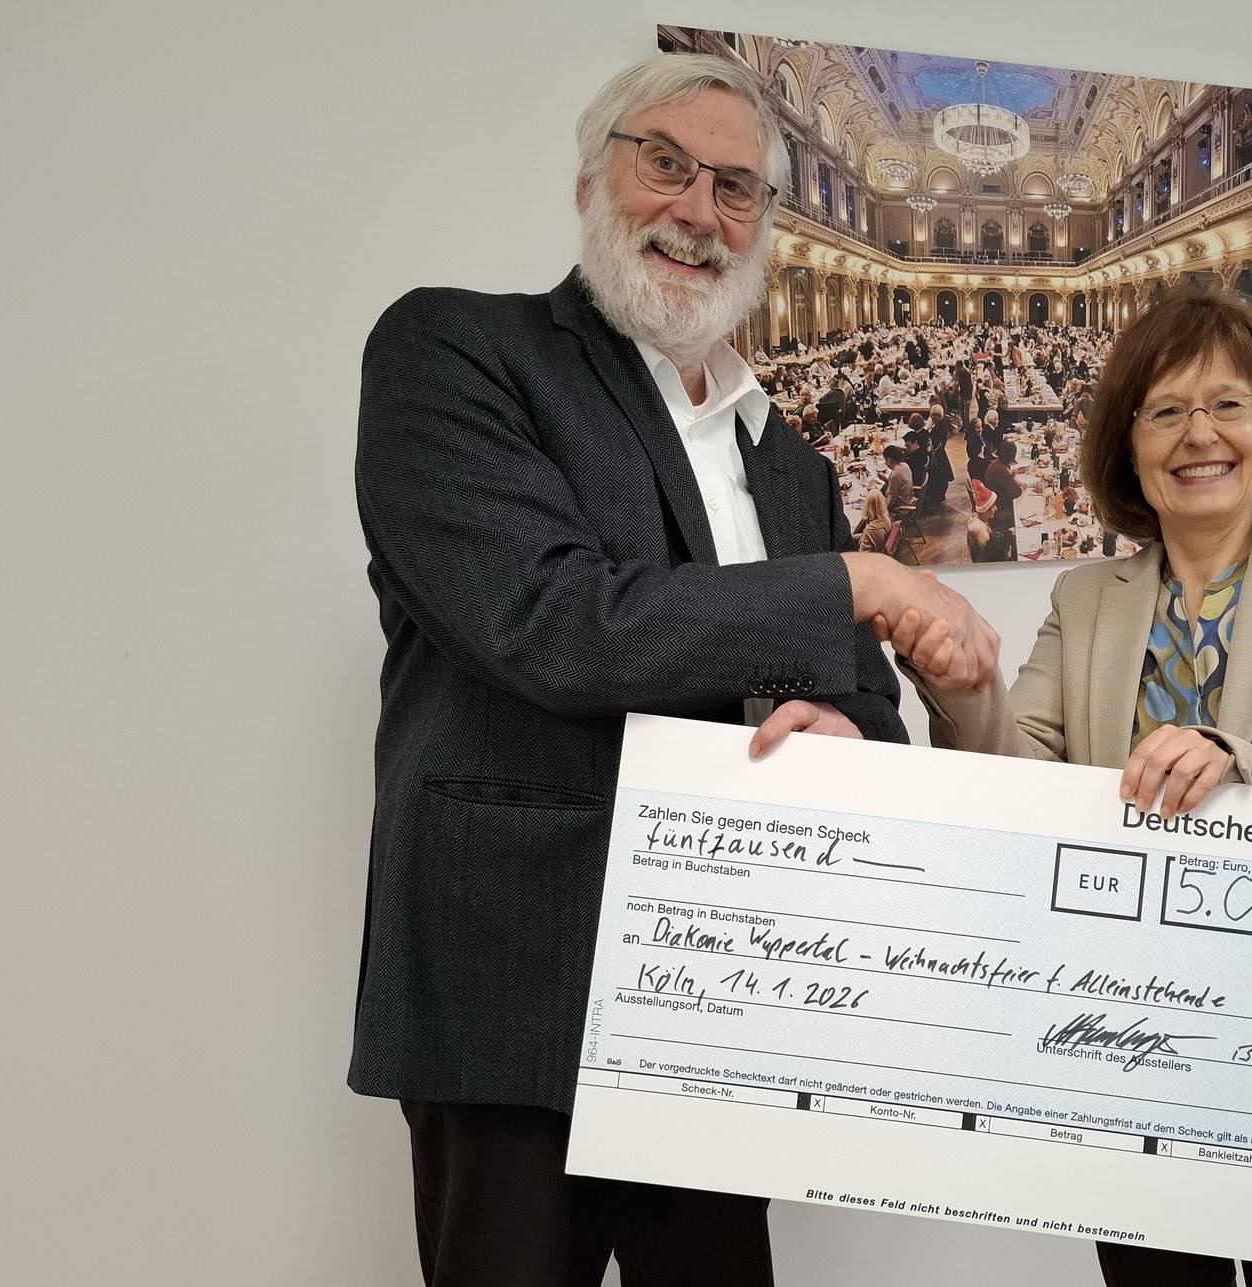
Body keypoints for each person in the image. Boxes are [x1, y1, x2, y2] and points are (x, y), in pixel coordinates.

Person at [349, 52, 998, 1287]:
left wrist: (853, 733)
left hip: (722, 1000)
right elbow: (558, 623)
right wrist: (861, 582)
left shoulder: (793, 464)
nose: (699, 212)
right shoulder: (455, 351)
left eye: (738, 188)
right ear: (596, 176)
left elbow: (865, 702)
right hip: (514, 985)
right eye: (666, 165)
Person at [893, 292, 1252, 1287]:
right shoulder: (1083, 597)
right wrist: (959, 684)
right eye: (1165, 410)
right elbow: (1027, 782)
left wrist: (1238, 761)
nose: (1201, 435)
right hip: (1133, 1043)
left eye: (1229, 404)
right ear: (1128, 445)